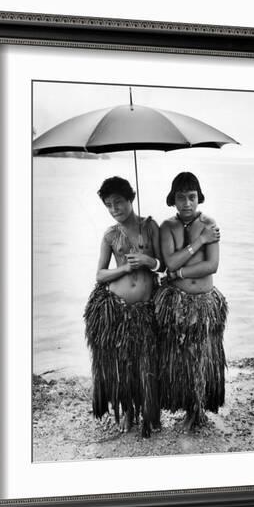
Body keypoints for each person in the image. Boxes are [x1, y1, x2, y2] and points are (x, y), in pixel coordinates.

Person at [84, 176, 163, 438]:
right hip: (118, 308)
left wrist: (148, 261)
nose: (114, 209)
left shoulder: (150, 227)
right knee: (123, 365)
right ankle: (128, 411)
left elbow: (165, 264)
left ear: (131, 198)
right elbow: (100, 275)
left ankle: (150, 412)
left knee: (146, 363)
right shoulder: (110, 235)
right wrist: (126, 267)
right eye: (108, 205)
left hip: (145, 308)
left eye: (118, 202)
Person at [154, 171, 228, 431]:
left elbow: (212, 265)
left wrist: (179, 273)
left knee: (202, 356)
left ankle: (198, 411)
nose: (187, 203)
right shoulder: (167, 227)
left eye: (192, 197)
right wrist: (200, 241)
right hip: (177, 302)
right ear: (172, 199)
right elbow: (169, 262)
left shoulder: (210, 223)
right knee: (181, 358)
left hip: (205, 303)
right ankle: (187, 409)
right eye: (181, 197)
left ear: (199, 198)